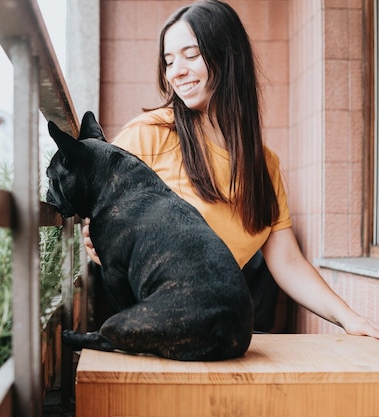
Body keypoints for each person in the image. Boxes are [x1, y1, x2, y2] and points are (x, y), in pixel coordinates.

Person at [83, 0, 379, 338]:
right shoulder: (149, 135)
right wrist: (99, 239)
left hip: (214, 330)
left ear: (227, 56)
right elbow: (96, 214)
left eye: (190, 56)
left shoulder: (264, 167)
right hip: (154, 330)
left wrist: (349, 318)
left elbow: (287, 263)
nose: (176, 71)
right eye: (168, 61)